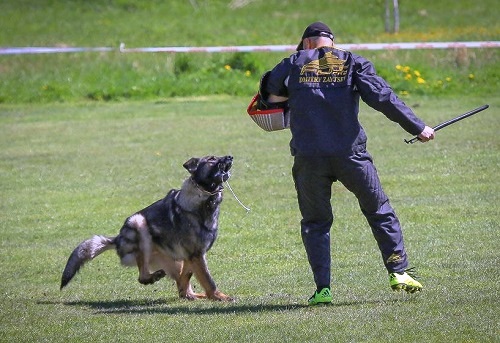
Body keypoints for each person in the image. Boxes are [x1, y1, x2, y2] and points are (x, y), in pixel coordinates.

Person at [260, 22, 435, 305]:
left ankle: (322, 290)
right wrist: (417, 127)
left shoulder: (291, 63)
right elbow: (383, 97)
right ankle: (398, 271)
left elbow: (269, 96)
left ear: (306, 43)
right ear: (332, 41)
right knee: (379, 210)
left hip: (309, 157)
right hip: (351, 155)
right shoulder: (353, 62)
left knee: (315, 223)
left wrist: (296, 97)